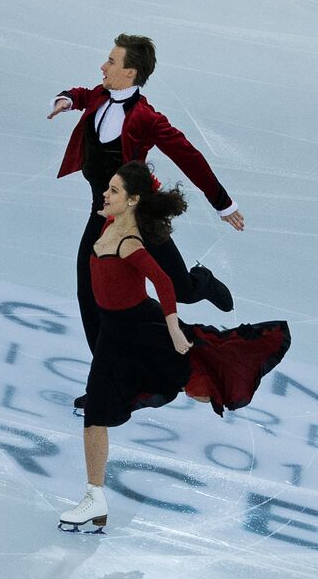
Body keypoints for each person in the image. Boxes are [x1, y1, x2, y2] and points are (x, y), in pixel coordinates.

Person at [58, 161, 289, 533]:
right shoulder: (107, 223)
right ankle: (94, 499)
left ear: (132, 201)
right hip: (114, 334)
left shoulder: (130, 243)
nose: (106, 193)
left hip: (142, 329)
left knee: (200, 377)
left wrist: (173, 329)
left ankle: (212, 316)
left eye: (114, 190)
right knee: (96, 414)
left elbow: (164, 284)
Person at [49, 33, 243, 366]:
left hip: (140, 215)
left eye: (111, 61)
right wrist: (67, 99)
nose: (103, 65)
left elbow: (189, 157)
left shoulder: (146, 118)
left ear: (130, 72)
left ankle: (203, 283)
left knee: (178, 288)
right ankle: (107, 375)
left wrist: (223, 203)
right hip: (103, 211)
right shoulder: (99, 96)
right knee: (89, 289)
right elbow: (82, 94)